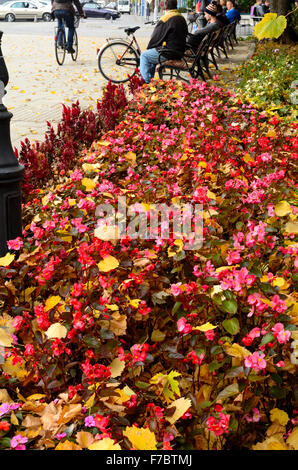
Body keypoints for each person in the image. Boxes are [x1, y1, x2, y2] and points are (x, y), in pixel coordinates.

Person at [139, 0, 188, 83]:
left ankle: (145, 82)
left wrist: (150, 46)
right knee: (152, 53)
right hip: (179, 50)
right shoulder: (181, 17)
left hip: (169, 52)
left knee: (144, 56)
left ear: (165, 7)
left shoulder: (166, 18)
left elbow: (155, 37)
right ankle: (150, 81)